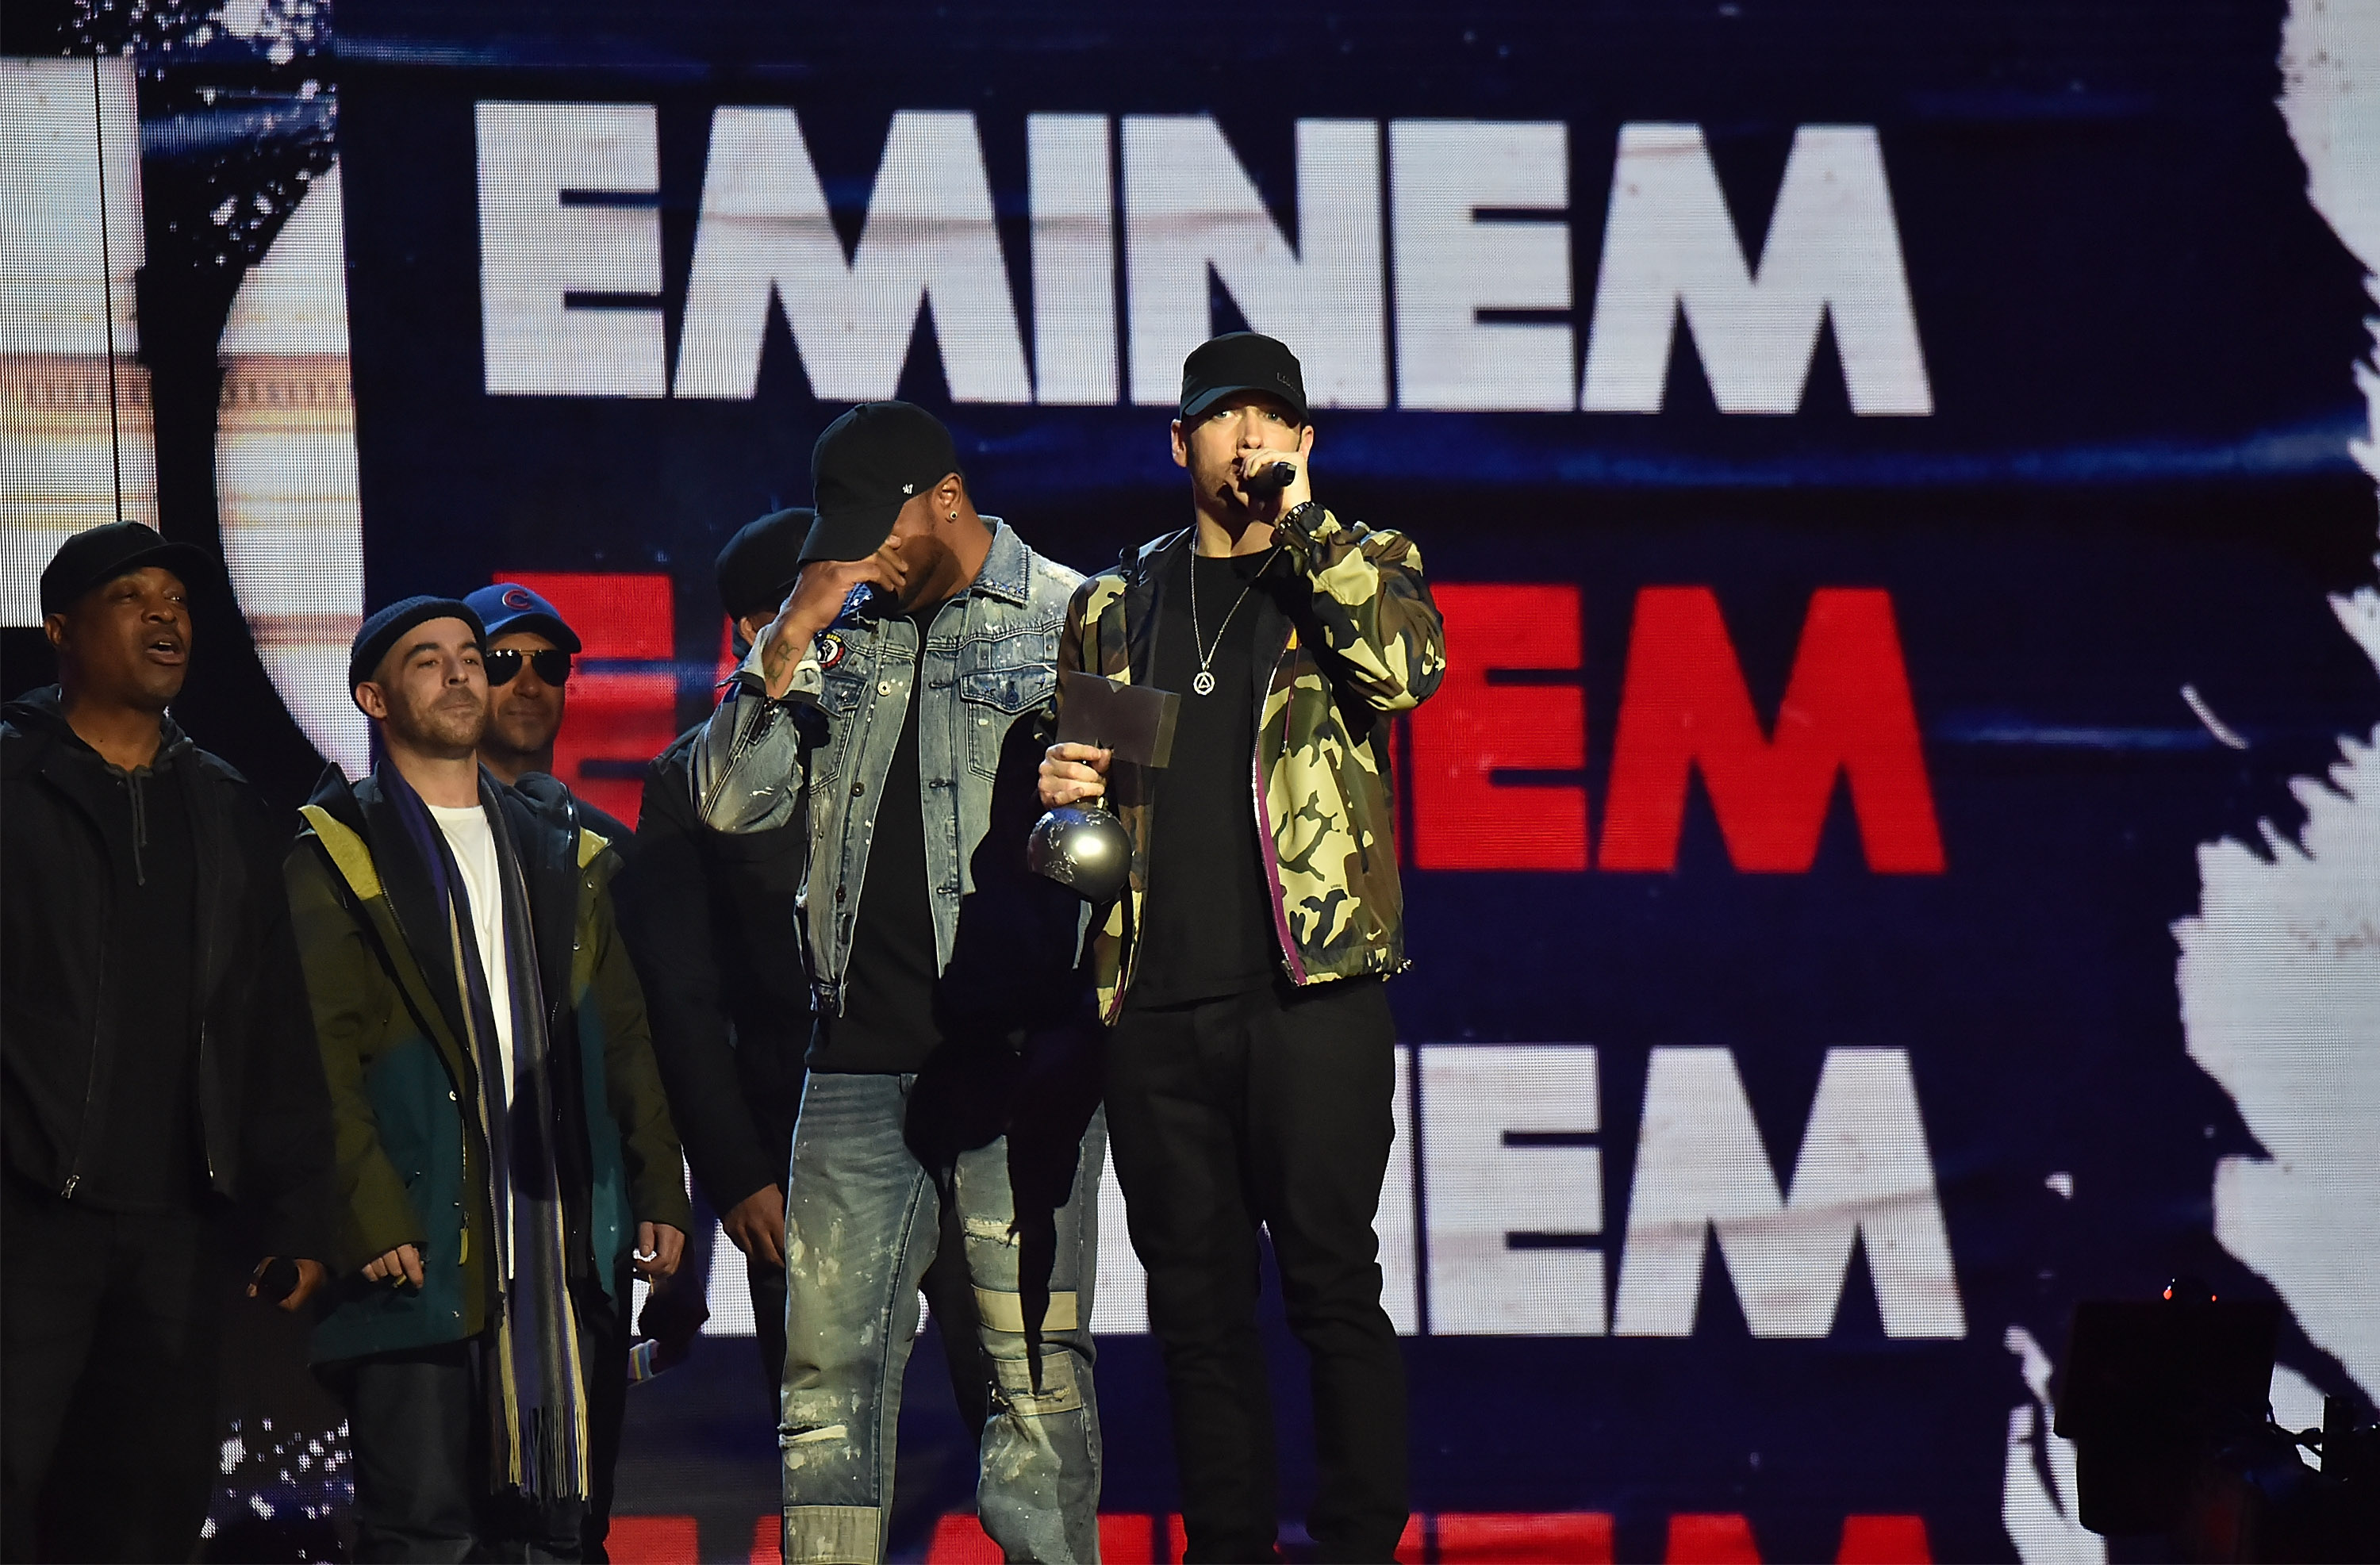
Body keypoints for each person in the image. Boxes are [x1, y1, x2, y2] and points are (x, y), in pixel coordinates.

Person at [1038, 332, 1447, 1563]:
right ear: (1183, 443)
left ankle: (1359, 1544)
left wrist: (1307, 527)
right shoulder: (1120, 606)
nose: (1252, 438)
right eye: (1227, 419)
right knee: (1199, 1315)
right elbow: (1089, 824)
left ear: (1308, 443)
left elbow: (1407, 670)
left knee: (1331, 1284)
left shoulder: (1359, 567)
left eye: (1277, 419)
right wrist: (1062, 796)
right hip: (1158, 1012)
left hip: (1309, 994)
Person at [695, 403, 1104, 1564]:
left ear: (948, 495)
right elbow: (728, 803)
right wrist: (789, 633)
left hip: (1018, 1067)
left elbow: (1151, 829)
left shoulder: (1083, 614)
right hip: (852, 1068)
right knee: (824, 1389)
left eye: (881, 525)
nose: (861, 550)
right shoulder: (836, 629)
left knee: (1035, 1383)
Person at [286, 596, 691, 1560]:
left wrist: (656, 1186)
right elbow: (316, 1051)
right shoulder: (337, 850)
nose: (464, 672)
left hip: (561, 1248)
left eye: (470, 656)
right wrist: (370, 1210)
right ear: (372, 698)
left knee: (559, 1532)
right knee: (424, 1531)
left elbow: (625, 1037)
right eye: (430, 660)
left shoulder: (566, 848)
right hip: (420, 1248)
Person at [0, 522, 336, 1564]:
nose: (167, 615)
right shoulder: (9, 785)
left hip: (177, 1232)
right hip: (21, 1217)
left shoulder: (230, 806)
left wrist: (298, 1209)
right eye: (132, 595)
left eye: (179, 600)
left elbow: (273, 1021)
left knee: (145, 1508)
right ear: (60, 628)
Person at [462, 580, 637, 1560]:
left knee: (578, 1513)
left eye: (550, 664)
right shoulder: (392, 839)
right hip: (455, 1222)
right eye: (503, 660)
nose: (529, 682)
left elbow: (637, 1049)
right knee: (453, 1514)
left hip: (581, 1227)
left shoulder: (608, 852)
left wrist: (657, 1195)